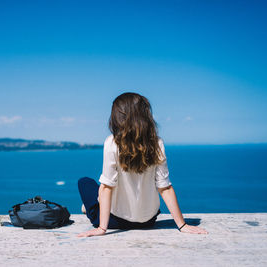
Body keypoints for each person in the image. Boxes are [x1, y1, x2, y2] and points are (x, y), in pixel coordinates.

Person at [77, 92, 208, 237]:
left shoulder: (112, 142)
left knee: (85, 182)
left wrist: (102, 228)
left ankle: (92, 208)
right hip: (148, 221)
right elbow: (165, 187)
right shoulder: (157, 143)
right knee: (100, 188)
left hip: (116, 222)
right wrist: (182, 225)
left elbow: (107, 187)